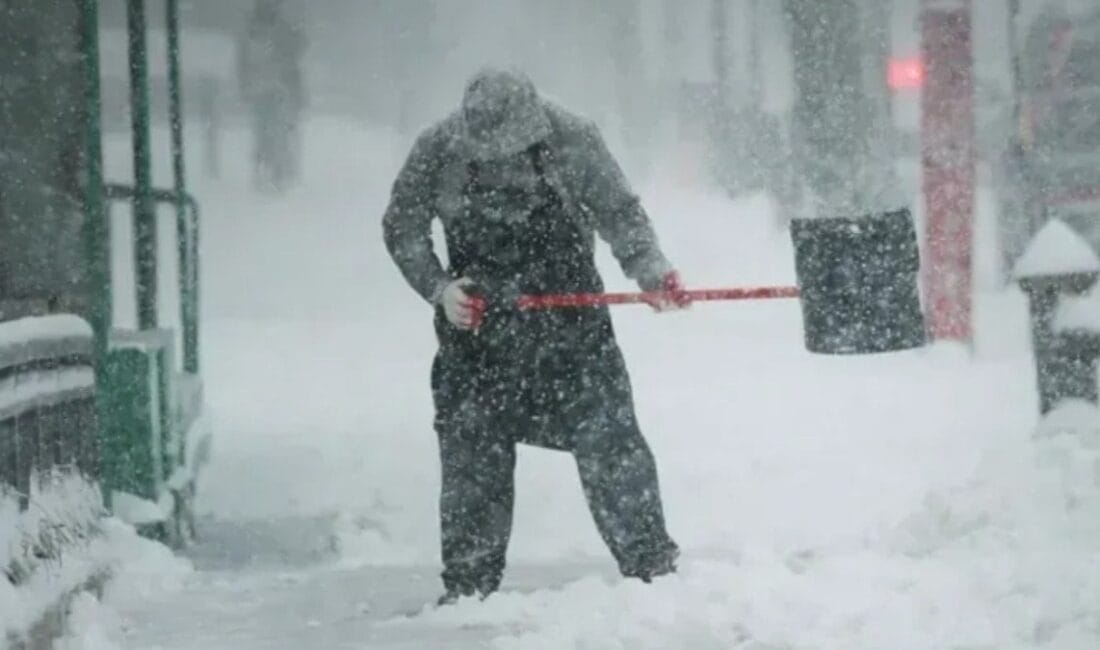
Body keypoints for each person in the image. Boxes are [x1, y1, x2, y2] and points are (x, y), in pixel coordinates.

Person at [382, 68, 690, 604]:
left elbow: (620, 211)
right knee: (472, 459)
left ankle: (652, 573)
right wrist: (439, 288)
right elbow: (402, 226)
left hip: (572, 334)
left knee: (611, 444)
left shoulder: (574, 138)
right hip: (477, 336)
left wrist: (651, 270)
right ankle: (469, 588)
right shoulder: (437, 147)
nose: (502, 165)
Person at [236, 0, 307, 192]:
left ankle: (270, 169)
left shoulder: (257, 30)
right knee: (272, 130)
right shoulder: (276, 29)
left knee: (270, 130)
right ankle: (272, 169)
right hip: (272, 90)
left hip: (269, 90)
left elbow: (243, 60)